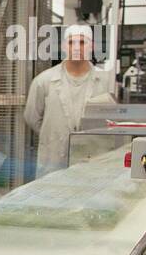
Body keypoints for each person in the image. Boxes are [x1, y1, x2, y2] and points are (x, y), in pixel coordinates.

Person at [23, 25, 115, 174]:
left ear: (91, 46)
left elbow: (113, 121)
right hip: (53, 160)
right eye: (71, 42)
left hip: (93, 159)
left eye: (82, 42)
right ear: (64, 46)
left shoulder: (106, 81)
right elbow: (31, 117)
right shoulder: (44, 81)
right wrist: (54, 135)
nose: (77, 48)